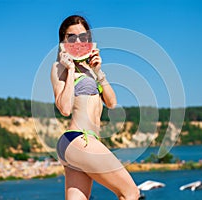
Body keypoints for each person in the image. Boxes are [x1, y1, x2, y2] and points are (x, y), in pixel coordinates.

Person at [51, 15, 140, 200]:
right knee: (130, 193)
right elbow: (65, 108)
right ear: (63, 41)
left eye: (83, 37)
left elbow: (112, 103)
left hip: (81, 144)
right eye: (71, 37)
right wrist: (70, 71)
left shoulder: (92, 68)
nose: (78, 41)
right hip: (78, 139)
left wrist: (99, 73)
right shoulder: (59, 67)